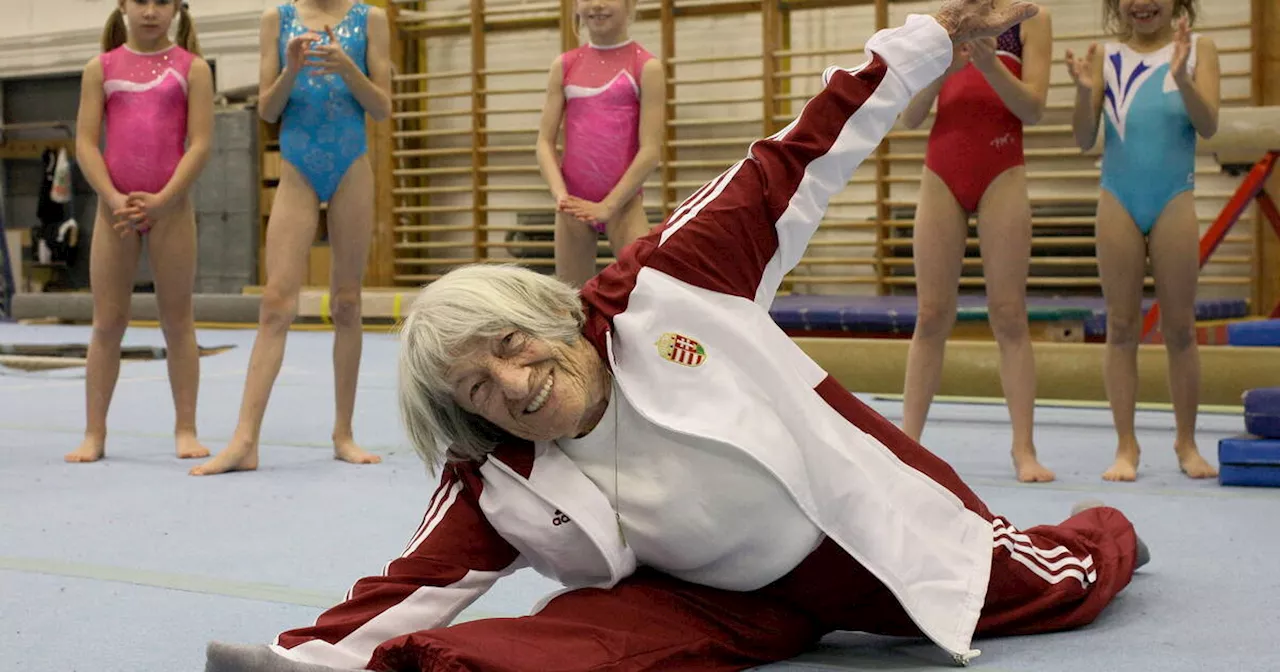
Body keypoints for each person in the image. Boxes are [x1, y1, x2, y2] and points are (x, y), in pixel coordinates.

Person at [204, 3, 1148, 670]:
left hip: (852, 532)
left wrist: (927, 43)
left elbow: (796, 154)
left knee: (1061, 584)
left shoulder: (667, 279)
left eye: (506, 345)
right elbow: (414, 579)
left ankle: (1109, 538)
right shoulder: (495, 471)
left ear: (545, 314)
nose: (513, 384)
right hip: (710, 598)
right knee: (566, 645)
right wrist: (310, 657)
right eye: (478, 389)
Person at [191, 0, 392, 476]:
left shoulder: (372, 19)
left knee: (347, 302)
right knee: (276, 303)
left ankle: (344, 433)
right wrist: (292, 68)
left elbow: (381, 107)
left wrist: (347, 67)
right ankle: (245, 439)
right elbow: (267, 109)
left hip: (351, 167)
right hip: (298, 169)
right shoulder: (276, 20)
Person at [898, 0, 1055, 484]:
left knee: (1008, 313)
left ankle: (1023, 449)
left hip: (1002, 170)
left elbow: (1033, 107)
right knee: (930, 315)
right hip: (941, 172)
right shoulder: (944, 21)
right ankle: (906, 444)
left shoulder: (1031, 18)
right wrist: (943, 68)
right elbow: (910, 116)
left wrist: (989, 64)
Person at [1066, 0, 1218, 481]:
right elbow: (1084, 138)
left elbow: (1209, 125)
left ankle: (1186, 442)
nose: (1142, 4)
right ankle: (1126, 446)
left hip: (1175, 197)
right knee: (1122, 326)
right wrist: (1083, 91)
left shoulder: (1198, 50)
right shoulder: (1105, 55)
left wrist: (1184, 76)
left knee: (1180, 328)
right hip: (1119, 198)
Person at [65, 0, 214, 464]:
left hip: (171, 208)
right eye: (141, 1)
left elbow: (201, 142)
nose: (151, 11)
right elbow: (86, 142)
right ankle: (94, 433)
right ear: (123, 6)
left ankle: (185, 428)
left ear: (177, 9)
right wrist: (112, 198)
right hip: (116, 211)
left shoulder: (194, 68)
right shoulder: (101, 67)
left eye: (162, 2)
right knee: (107, 323)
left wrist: (165, 198)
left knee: (178, 320)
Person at [535, 0, 664, 287]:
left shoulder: (645, 66)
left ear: (630, 4)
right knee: (571, 302)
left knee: (644, 290)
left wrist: (609, 205)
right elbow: (544, 142)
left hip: (623, 205)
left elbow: (650, 151)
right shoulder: (565, 65)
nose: (597, 5)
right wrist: (560, 195)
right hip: (573, 205)